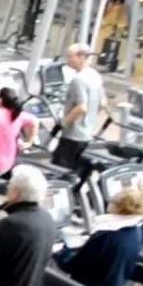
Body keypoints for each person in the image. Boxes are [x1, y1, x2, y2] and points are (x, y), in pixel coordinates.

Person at [52, 43, 105, 182]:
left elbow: (81, 107)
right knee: (77, 171)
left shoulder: (78, 80)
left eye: (70, 56)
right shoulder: (95, 75)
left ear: (81, 57)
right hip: (86, 134)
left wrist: (63, 122)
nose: (67, 59)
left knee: (59, 171)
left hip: (73, 135)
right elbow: (103, 103)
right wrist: (89, 120)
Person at [0, 87, 38, 175]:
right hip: (9, 164)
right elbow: (35, 121)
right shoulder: (17, 114)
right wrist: (29, 142)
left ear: (0, 100)